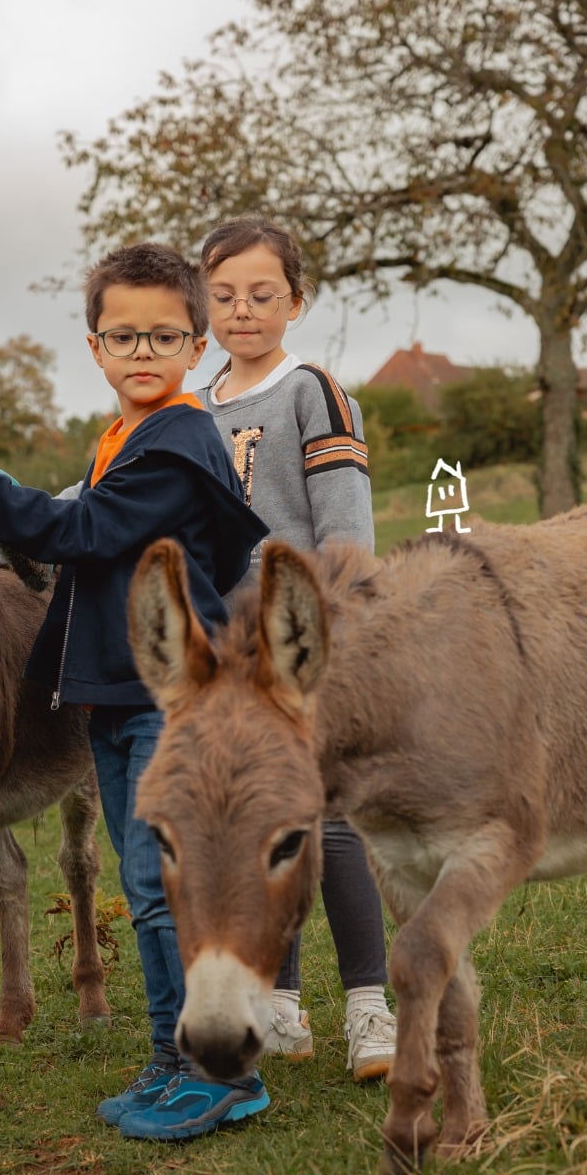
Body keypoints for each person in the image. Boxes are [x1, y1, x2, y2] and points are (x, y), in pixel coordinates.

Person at [0, 242, 271, 1140]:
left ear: (197, 347)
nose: (140, 352)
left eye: (162, 336)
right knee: (146, 881)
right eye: (120, 336)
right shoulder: (124, 439)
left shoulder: (179, 438)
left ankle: (225, 1073)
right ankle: (174, 1060)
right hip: (123, 698)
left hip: (173, 699)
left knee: (177, 885)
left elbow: (79, 530)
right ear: (94, 347)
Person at [197, 212, 398, 1082]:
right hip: (220, 659)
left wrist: (330, 634)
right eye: (224, 294)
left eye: (262, 294)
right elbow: (102, 494)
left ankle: (370, 1007)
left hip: (299, 648)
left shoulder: (311, 391)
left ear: (296, 301)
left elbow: (345, 536)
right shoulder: (190, 407)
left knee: (333, 823)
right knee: (256, 831)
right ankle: (283, 1004)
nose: (242, 310)